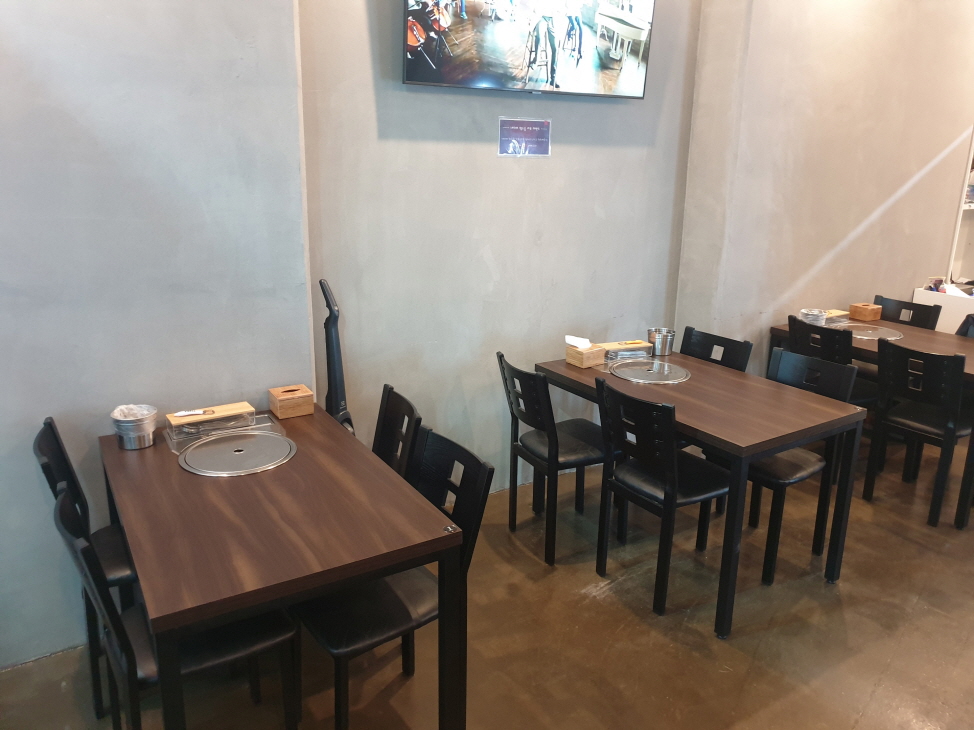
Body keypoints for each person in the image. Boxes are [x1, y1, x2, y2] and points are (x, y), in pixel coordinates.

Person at [529, 0, 560, 88]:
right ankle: (536, 59)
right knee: (539, 37)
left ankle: (553, 77)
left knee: (555, 48)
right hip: (541, 17)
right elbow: (535, 7)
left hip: (553, 19)